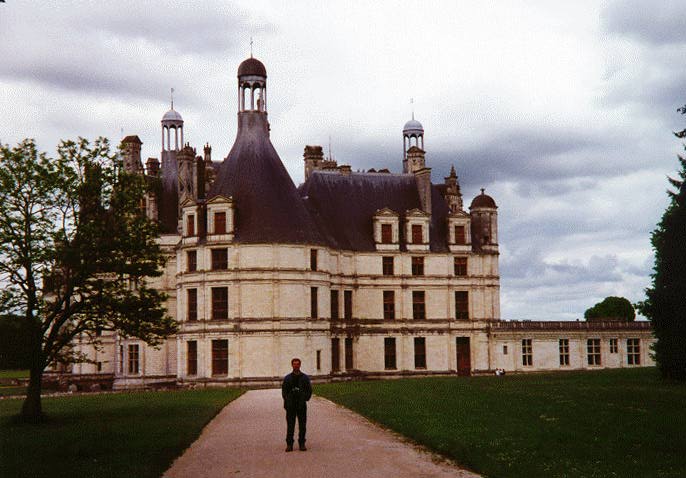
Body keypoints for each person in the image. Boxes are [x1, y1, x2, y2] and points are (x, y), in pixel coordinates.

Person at [281, 357, 312, 452]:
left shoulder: (305, 378)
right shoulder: (287, 378)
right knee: (290, 425)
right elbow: (284, 391)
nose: (296, 365)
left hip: (301, 405)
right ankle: (289, 444)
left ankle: (302, 443)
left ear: (300, 365)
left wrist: (305, 398)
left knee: (302, 425)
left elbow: (309, 390)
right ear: (292, 365)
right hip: (291, 405)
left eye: (297, 364)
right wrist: (288, 400)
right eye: (294, 364)